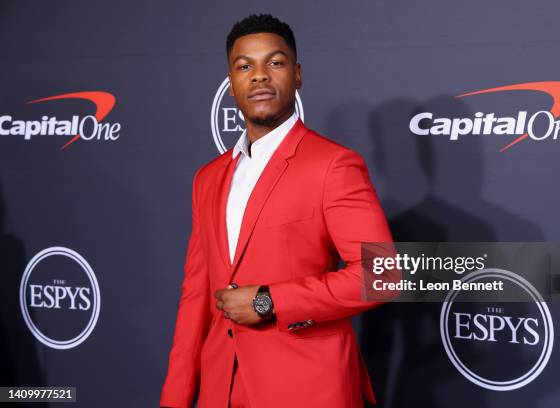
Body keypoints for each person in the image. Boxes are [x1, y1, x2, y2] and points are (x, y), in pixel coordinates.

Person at [160, 14, 395, 408]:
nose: (259, 76)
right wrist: (176, 397)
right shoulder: (207, 178)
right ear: (231, 84)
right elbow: (195, 298)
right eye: (244, 66)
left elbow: (384, 275)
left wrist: (269, 302)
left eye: (275, 62)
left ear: (297, 75)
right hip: (222, 389)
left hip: (306, 387)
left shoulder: (332, 164)